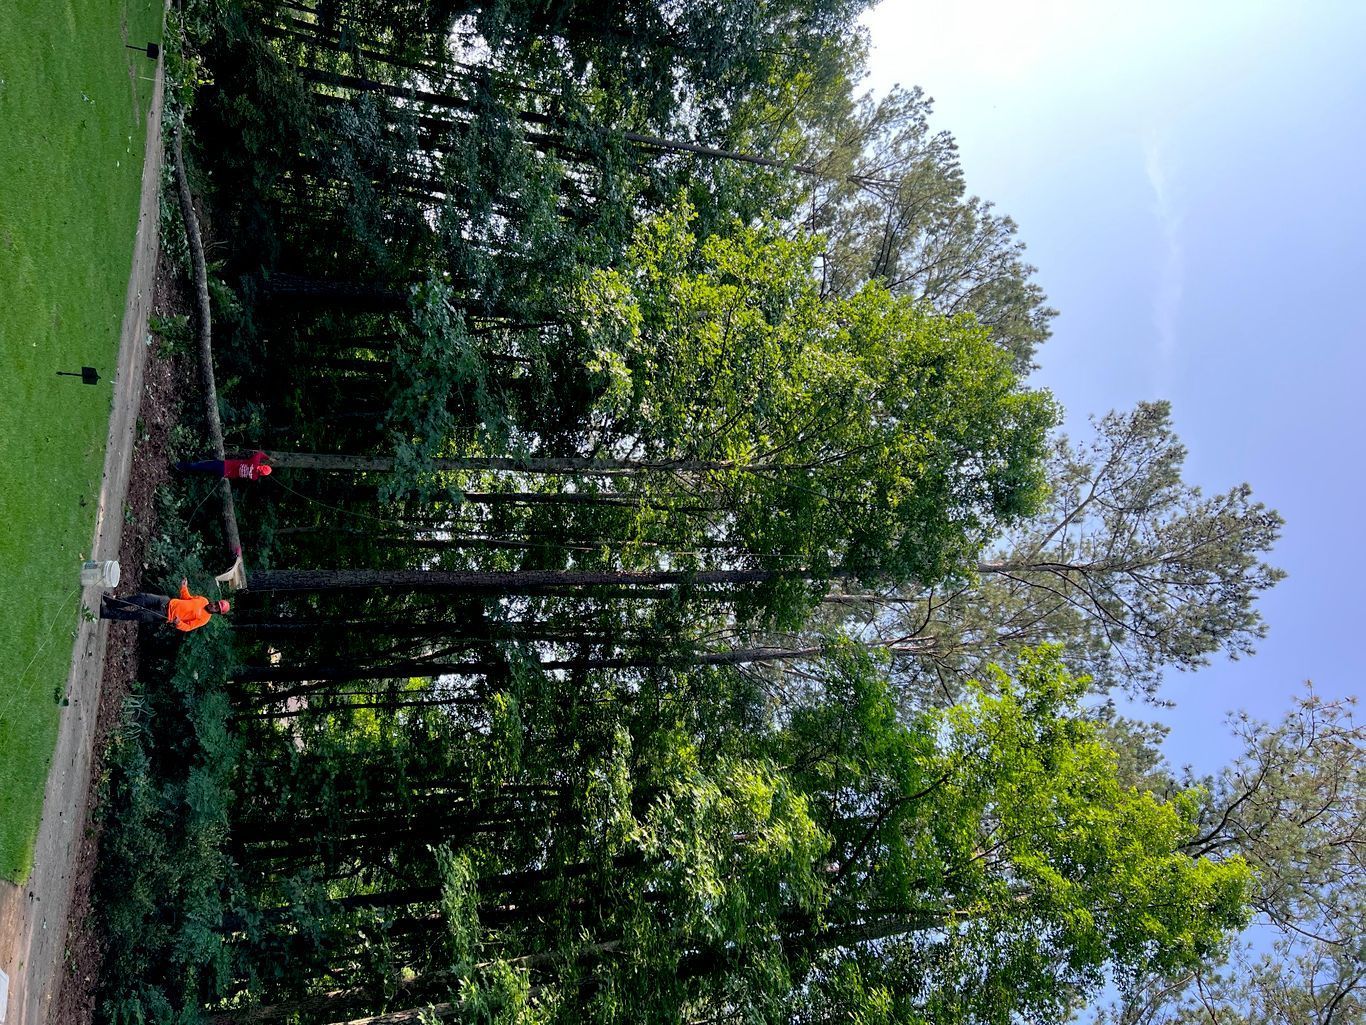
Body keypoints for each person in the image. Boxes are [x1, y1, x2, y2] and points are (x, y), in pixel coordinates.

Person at [99, 579, 228, 632]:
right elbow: (187, 598)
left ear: (216, 612)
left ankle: (106, 613)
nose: (214, 606)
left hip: (164, 615)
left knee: (137, 614)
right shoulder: (203, 600)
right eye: (216, 603)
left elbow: (188, 627)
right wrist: (184, 587)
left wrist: (178, 623)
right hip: (166, 601)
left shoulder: (204, 619)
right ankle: (111, 602)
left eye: (216, 608)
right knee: (141, 597)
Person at [175, 450, 272, 481]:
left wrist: (268, 458)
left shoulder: (254, 462)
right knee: (203, 470)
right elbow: (255, 472)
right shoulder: (254, 477)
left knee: (202, 465)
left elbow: (259, 453)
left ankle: (180, 466)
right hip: (224, 474)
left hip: (224, 465)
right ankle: (184, 470)